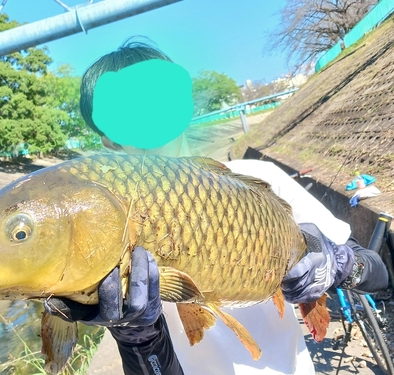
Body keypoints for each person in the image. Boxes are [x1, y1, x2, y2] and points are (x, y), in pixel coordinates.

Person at [44, 40, 389, 375]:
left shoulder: (259, 178)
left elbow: (379, 272)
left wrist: (339, 263)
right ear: (109, 138)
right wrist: (138, 339)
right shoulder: (108, 232)